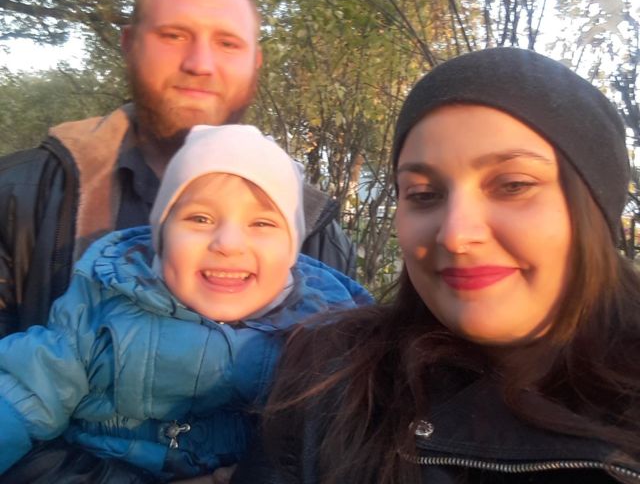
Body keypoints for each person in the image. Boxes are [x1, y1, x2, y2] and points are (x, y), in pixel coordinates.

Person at [231, 47, 640, 484]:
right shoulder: (327, 380)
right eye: (423, 195)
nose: (455, 235)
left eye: (513, 185)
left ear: (595, 206)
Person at [0, 0, 356, 338]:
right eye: (173, 35)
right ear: (130, 45)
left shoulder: (319, 235)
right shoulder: (16, 199)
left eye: (227, 43)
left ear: (255, 62)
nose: (200, 64)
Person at [0, 124, 371, 483]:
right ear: (161, 237)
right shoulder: (104, 308)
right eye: (200, 218)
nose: (228, 243)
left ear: (291, 251)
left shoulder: (324, 330)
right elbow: (19, 396)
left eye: (261, 223)